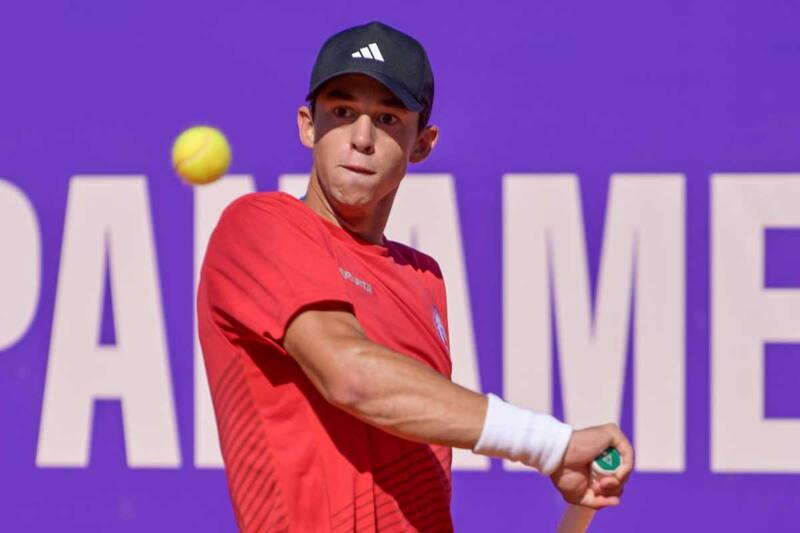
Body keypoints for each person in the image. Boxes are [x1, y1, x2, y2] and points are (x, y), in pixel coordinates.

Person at [197, 20, 634, 533]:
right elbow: (351, 376)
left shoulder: (423, 279)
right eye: (342, 112)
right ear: (307, 125)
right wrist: (551, 444)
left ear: (422, 143)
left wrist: (569, 471)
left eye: (386, 119)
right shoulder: (260, 225)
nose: (361, 139)